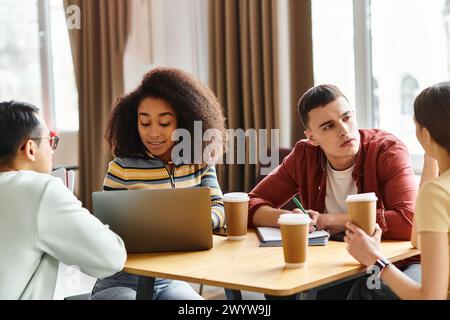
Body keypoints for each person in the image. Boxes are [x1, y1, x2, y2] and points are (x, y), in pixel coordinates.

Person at [248, 84, 420, 299]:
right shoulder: (304, 155)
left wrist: (325, 220)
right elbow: (250, 203)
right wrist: (290, 218)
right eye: (329, 126)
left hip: (397, 262)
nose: (344, 130)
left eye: (346, 118)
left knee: (377, 291)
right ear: (312, 138)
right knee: (281, 288)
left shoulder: (387, 149)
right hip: (335, 260)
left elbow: (408, 221)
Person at [90, 67, 226, 300]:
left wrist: (200, 223)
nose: (153, 133)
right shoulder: (122, 167)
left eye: (164, 124)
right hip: (119, 280)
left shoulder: (199, 162)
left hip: (170, 281)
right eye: (145, 123)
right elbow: (107, 228)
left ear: (184, 121)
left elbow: (219, 207)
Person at [0, 101, 126, 300]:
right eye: (50, 140)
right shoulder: (40, 189)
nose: (52, 150)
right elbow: (111, 258)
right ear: (30, 148)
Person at [345, 82, 449, 300]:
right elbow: (418, 241)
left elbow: (431, 298)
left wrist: (375, 259)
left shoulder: (437, 193)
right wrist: (432, 158)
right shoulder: (438, 189)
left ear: (426, 135)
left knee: (365, 290)